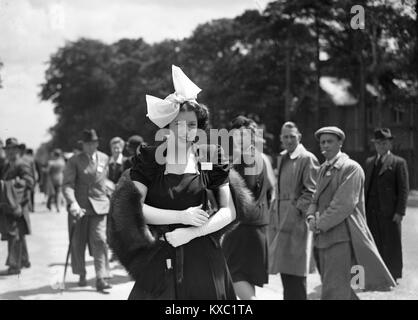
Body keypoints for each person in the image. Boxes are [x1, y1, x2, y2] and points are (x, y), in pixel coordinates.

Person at [109, 65, 239, 300]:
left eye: (191, 125)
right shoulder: (150, 158)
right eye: (178, 124)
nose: (185, 130)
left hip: (204, 259)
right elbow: (135, 208)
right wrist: (180, 218)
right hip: (160, 254)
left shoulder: (210, 157)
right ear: (168, 125)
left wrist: (193, 232)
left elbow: (228, 211)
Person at [306, 126, 396, 299]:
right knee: (341, 289)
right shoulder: (322, 169)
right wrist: (310, 216)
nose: (325, 145)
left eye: (330, 141)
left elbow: (343, 204)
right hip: (323, 238)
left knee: (335, 291)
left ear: (340, 143)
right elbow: (314, 199)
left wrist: (318, 224)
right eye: (322, 142)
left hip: (344, 237)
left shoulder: (351, 168)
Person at [221, 115, 275, 300]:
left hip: (244, 227)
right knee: (243, 278)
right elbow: (268, 193)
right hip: (255, 226)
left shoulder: (247, 157)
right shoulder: (257, 156)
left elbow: (246, 191)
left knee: (234, 274)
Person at [268, 121, 319, 300]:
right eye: (285, 137)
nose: (289, 140)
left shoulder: (307, 158)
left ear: (299, 137)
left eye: (292, 136)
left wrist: (296, 212)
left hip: (296, 222)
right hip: (280, 221)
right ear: (281, 139)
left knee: (297, 273)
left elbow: (311, 192)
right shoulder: (282, 157)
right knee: (285, 272)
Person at [63, 129, 112, 292]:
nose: (91, 146)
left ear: (97, 143)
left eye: (93, 143)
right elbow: (67, 185)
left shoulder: (105, 158)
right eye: (87, 144)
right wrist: (73, 203)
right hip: (80, 208)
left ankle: (101, 277)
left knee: (100, 240)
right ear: (83, 145)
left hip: (100, 206)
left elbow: (104, 180)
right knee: (78, 243)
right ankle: (81, 273)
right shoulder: (74, 161)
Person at [364, 128, 409, 282]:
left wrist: (400, 212)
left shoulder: (398, 162)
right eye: (377, 143)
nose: (380, 146)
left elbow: (403, 189)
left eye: (384, 143)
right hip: (371, 210)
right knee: (373, 242)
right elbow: (365, 187)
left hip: (389, 212)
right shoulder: (370, 162)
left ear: (390, 144)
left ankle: (393, 275)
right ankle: (375, 274)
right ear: (374, 145)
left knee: (391, 243)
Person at [0, 138, 35, 275]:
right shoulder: (8, 165)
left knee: (14, 235)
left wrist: (11, 185)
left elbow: (30, 182)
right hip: (11, 205)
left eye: (13, 149)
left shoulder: (22, 164)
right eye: (8, 150)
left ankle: (15, 265)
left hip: (18, 205)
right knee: (17, 233)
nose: (10, 152)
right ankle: (24, 260)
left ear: (18, 150)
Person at [46, 149, 66, 213]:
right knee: (58, 193)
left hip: (52, 179)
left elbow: (47, 171)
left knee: (52, 193)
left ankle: (49, 204)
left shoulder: (51, 162)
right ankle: (58, 207)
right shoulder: (62, 162)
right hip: (60, 179)